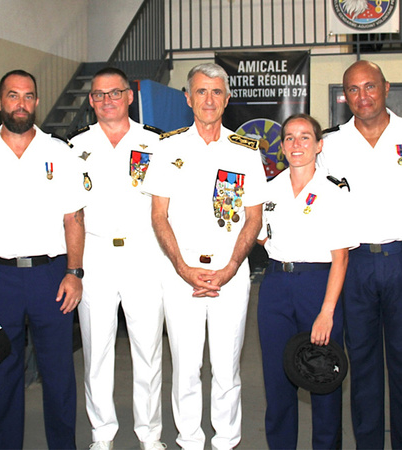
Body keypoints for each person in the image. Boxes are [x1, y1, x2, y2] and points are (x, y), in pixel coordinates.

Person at [0, 69, 85, 449]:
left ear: (37, 102)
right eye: (13, 95)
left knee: (59, 373)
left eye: (28, 96)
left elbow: (74, 218)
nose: (21, 104)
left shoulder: (59, 152)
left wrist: (74, 273)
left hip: (50, 276)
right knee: (2, 373)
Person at [144, 63, 267, 450]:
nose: (209, 100)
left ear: (227, 99)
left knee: (227, 368)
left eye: (216, 92)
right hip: (181, 273)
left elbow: (254, 217)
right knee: (186, 368)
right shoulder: (167, 148)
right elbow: (158, 216)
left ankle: (227, 440)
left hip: (231, 273)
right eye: (201, 92)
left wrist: (230, 267)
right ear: (188, 98)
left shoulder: (246, 152)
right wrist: (183, 268)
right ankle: (190, 440)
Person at [318, 60, 402, 449]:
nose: (362, 96)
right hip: (356, 266)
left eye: (369, 86)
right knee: (363, 363)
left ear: (386, 87)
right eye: (353, 90)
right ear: (344, 96)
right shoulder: (332, 144)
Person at [67, 67, 165, 450]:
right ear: (91, 101)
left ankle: (150, 435)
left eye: (114, 92)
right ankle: (102, 434)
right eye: (99, 94)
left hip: (144, 254)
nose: (107, 100)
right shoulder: (74, 146)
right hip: (95, 256)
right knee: (97, 351)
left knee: (148, 351)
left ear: (129, 96)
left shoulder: (156, 143)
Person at [257, 114, 356, 449]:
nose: (296, 145)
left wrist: (327, 312)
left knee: (322, 376)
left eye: (304, 137)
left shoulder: (334, 191)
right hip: (274, 287)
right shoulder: (268, 190)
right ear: (281, 145)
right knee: (277, 379)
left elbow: (341, 257)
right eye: (289, 138)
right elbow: (257, 237)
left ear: (319, 145)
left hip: (317, 287)